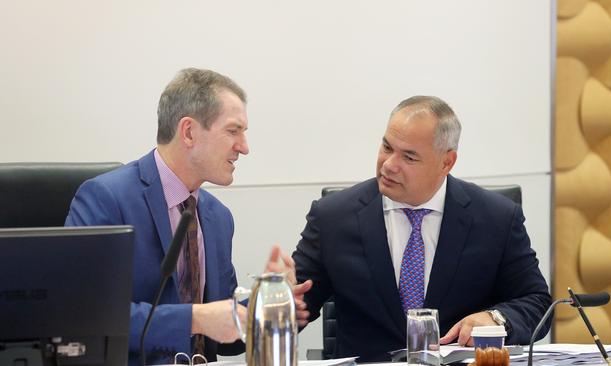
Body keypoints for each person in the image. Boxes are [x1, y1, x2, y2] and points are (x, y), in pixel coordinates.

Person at [65, 68, 311, 365]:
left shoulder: (218, 218)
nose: (244, 147)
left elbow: (223, 336)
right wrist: (195, 318)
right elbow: (84, 314)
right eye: (233, 131)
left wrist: (268, 303)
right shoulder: (107, 198)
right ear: (189, 132)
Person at [292, 95, 551, 361]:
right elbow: (298, 305)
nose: (389, 164)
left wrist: (496, 319)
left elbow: (537, 302)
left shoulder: (495, 218)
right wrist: (279, 299)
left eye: (409, 157)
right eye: (386, 147)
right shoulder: (332, 217)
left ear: (446, 162)